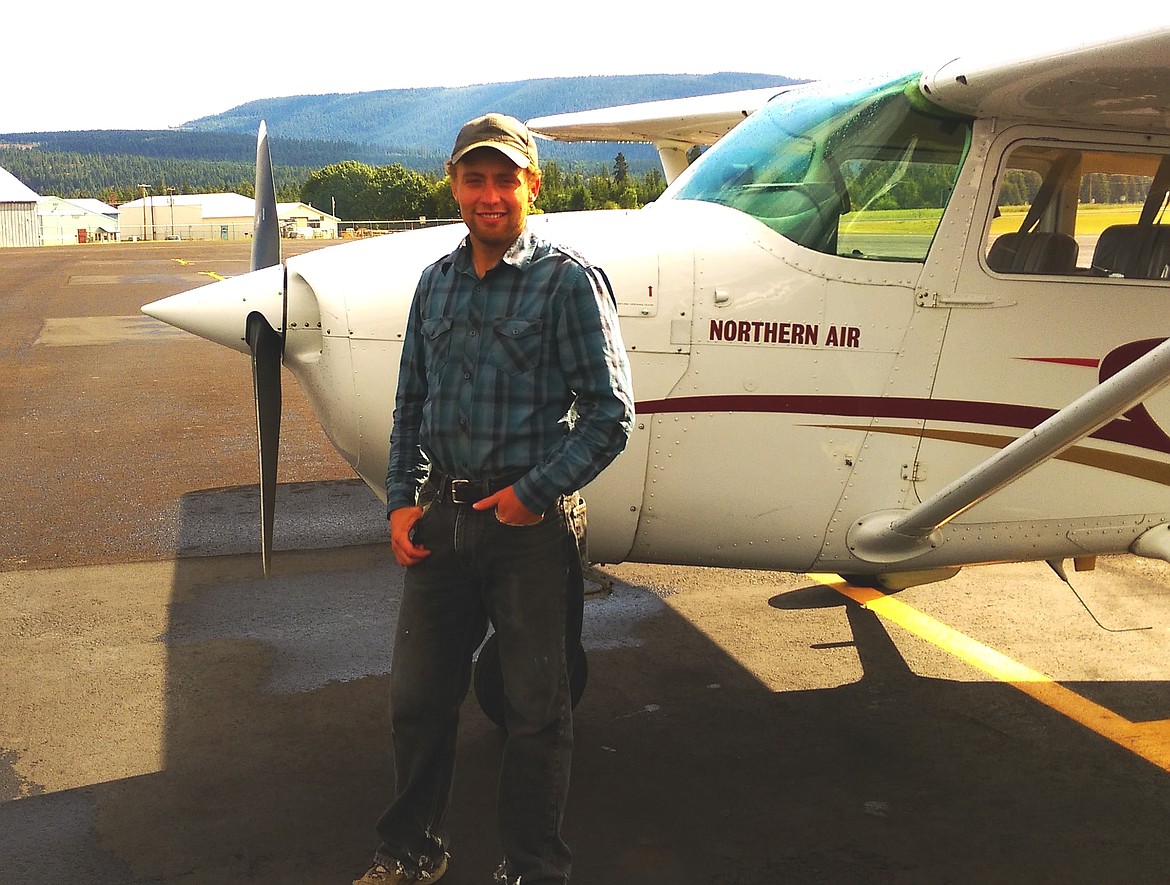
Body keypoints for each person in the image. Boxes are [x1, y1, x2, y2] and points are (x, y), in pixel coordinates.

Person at [355, 113, 635, 885]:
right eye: (473, 178)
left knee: (537, 713)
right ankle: (410, 850)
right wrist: (400, 501)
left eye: (504, 178)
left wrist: (532, 495)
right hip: (442, 523)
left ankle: (534, 867)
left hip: (529, 531)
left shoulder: (567, 280)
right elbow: (410, 402)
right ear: (453, 184)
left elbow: (612, 417)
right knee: (416, 700)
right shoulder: (435, 284)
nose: (488, 194)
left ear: (530, 187)